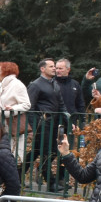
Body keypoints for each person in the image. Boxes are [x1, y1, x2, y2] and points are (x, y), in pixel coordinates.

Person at [27, 59, 68, 191]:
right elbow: (30, 107)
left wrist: (69, 121)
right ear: (42, 69)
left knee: (37, 152)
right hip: (42, 124)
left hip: (55, 124)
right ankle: (51, 183)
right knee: (46, 152)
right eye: (51, 66)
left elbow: (61, 104)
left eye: (55, 66)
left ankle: (16, 174)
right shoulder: (36, 85)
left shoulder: (55, 84)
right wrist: (34, 127)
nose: (54, 68)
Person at [0, 62, 32, 165]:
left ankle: (15, 175)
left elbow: (26, 104)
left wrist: (12, 109)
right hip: (1, 124)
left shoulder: (17, 85)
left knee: (14, 153)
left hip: (14, 124)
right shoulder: (1, 84)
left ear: (6, 71)